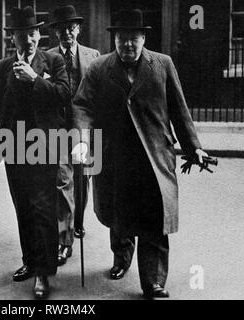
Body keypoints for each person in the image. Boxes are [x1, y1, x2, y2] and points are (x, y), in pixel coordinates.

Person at [71, 9, 208, 298]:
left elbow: (179, 110)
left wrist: (193, 145)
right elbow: (82, 105)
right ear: (115, 40)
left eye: (134, 39)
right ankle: (121, 258)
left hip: (155, 158)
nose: (128, 45)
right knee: (120, 216)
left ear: (143, 38)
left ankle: (153, 281)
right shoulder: (99, 68)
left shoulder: (163, 64)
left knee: (155, 219)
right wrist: (83, 139)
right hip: (116, 158)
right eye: (122, 39)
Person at [0, 6, 70, 299]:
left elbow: (65, 94)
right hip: (13, 147)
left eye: (33, 33)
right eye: (21, 35)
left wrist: (35, 80)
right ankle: (30, 260)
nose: (28, 39)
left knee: (43, 209)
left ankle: (43, 273)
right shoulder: (0, 68)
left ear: (39, 34)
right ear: (12, 38)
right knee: (23, 207)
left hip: (44, 146)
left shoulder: (54, 60)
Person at [47, 5, 100, 266]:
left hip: (87, 130)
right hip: (57, 127)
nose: (67, 32)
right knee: (61, 181)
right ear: (56, 31)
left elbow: (97, 95)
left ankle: (77, 223)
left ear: (78, 29)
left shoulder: (93, 56)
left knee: (82, 181)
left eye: (71, 27)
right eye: (62, 28)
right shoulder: (47, 57)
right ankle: (64, 241)